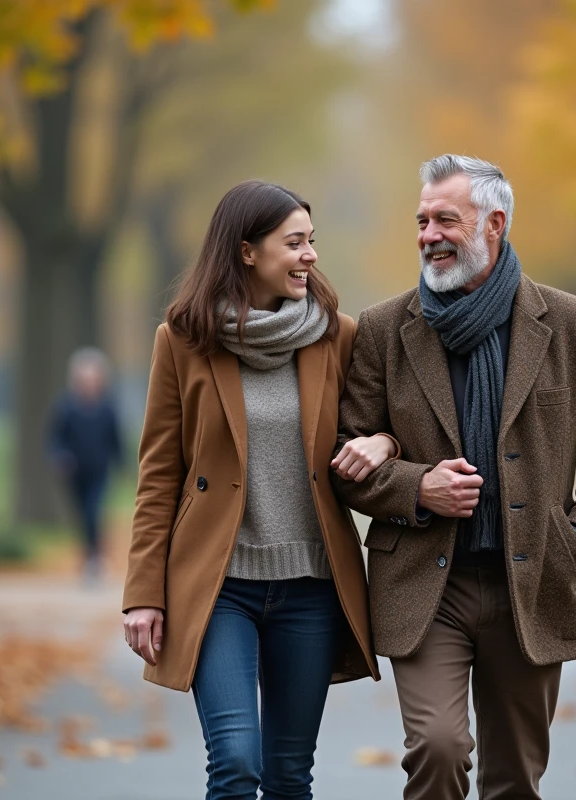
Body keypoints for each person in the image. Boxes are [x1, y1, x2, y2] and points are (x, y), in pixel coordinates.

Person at [332, 155, 576, 800]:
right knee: (438, 750)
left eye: (446, 219)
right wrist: (416, 487)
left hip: (531, 582)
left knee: (513, 781)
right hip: (424, 584)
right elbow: (344, 459)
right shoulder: (386, 330)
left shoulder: (572, 324)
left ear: (494, 224)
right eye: (421, 221)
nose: (428, 235)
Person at [122, 180, 394, 800]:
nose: (311, 256)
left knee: (289, 776)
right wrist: (143, 593)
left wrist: (385, 445)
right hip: (219, 587)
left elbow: (382, 427)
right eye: (294, 243)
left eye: (312, 242)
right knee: (237, 763)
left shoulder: (337, 337)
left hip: (312, 588)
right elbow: (159, 473)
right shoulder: (183, 340)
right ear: (247, 252)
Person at [48, 347, 124, 582]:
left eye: (94, 379)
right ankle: (89, 553)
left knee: (94, 511)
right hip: (75, 474)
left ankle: (94, 559)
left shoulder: (107, 408)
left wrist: (122, 463)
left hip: (100, 472)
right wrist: (61, 457)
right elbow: (55, 439)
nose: (90, 384)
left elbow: (115, 439)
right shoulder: (66, 407)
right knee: (83, 515)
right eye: (85, 379)